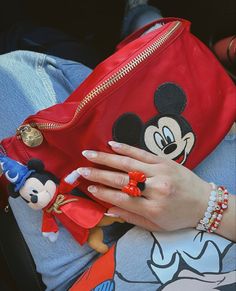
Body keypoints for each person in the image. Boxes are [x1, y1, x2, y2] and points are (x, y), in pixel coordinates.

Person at [0, 1, 235, 290]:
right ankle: (142, 18)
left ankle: (140, 20)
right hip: (217, 201)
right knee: (164, 58)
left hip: (89, 271)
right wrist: (205, 206)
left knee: (10, 75)